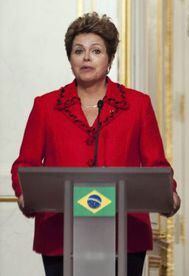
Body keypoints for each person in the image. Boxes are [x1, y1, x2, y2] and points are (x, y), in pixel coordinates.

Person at [11, 12, 180, 276]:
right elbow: (25, 164)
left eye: (96, 50)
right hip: (60, 234)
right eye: (78, 51)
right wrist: (24, 193)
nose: (86, 57)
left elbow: (156, 164)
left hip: (124, 235)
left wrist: (168, 193)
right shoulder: (45, 107)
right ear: (70, 59)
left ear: (110, 60)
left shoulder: (137, 105)